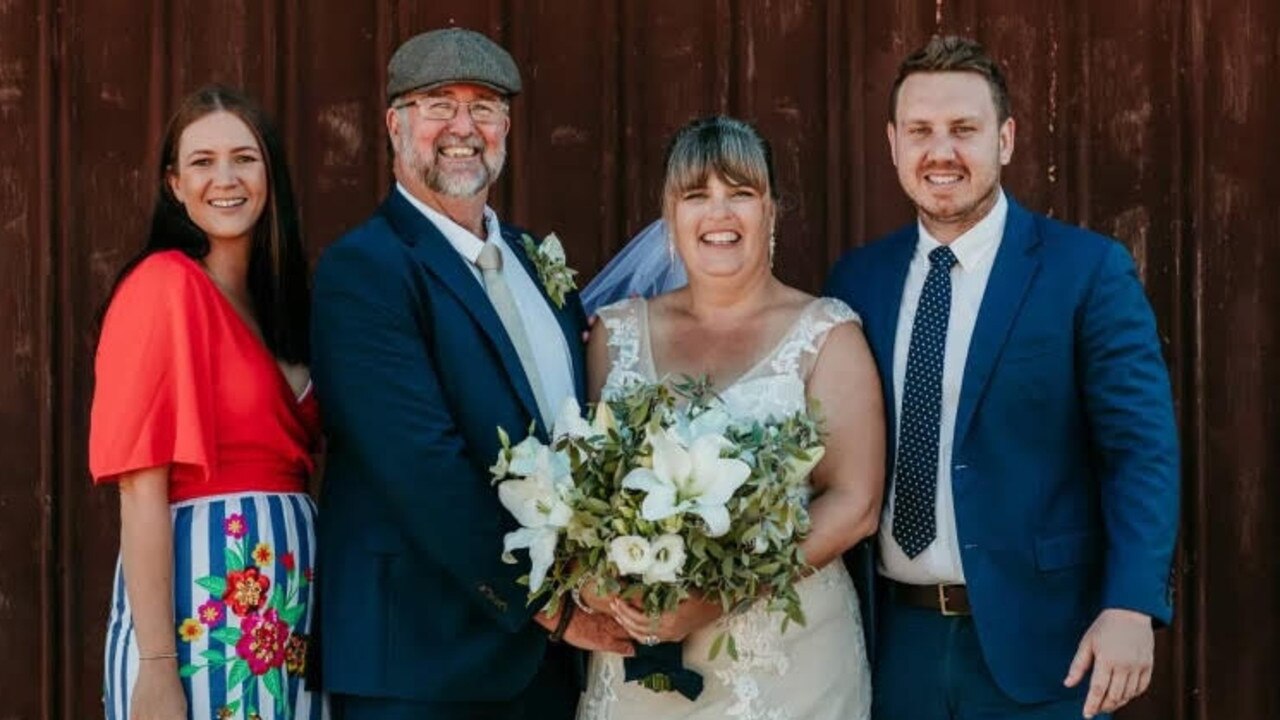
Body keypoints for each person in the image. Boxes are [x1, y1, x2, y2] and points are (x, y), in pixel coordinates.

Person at [824, 35, 1180, 720]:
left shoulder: (1085, 272)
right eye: (921, 131)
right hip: (895, 645)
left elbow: (1141, 451)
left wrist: (1132, 603)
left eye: (965, 129)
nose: (942, 151)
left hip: (1049, 646)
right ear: (894, 144)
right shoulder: (857, 281)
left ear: (1006, 139)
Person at [309, 27, 632, 720]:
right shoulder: (364, 271)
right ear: (395, 124)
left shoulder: (530, 255)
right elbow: (423, 470)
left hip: (538, 669)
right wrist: (553, 609)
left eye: (483, 106)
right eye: (436, 105)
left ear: (507, 126)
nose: (463, 127)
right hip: (422, 661)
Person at [578, 116, 884, 720]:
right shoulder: (614, 336)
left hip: (786, 664)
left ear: (771, 210)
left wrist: (719, 594)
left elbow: (854, 503)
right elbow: (588, 491)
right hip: (642, 665)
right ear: (671, 214)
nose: (719, 214)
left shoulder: (826, 334)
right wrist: (601, 585)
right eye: (697, 195)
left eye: (740, 193)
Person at [90, 85, 325, 720]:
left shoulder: (283, 304)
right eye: (201, 161)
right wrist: (160, 669)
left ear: (269, 174)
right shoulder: (161, 288)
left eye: (245, 158)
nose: (226, 178)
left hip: (290, 605)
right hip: (205, 598)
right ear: (173, 183)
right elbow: (140, 488)